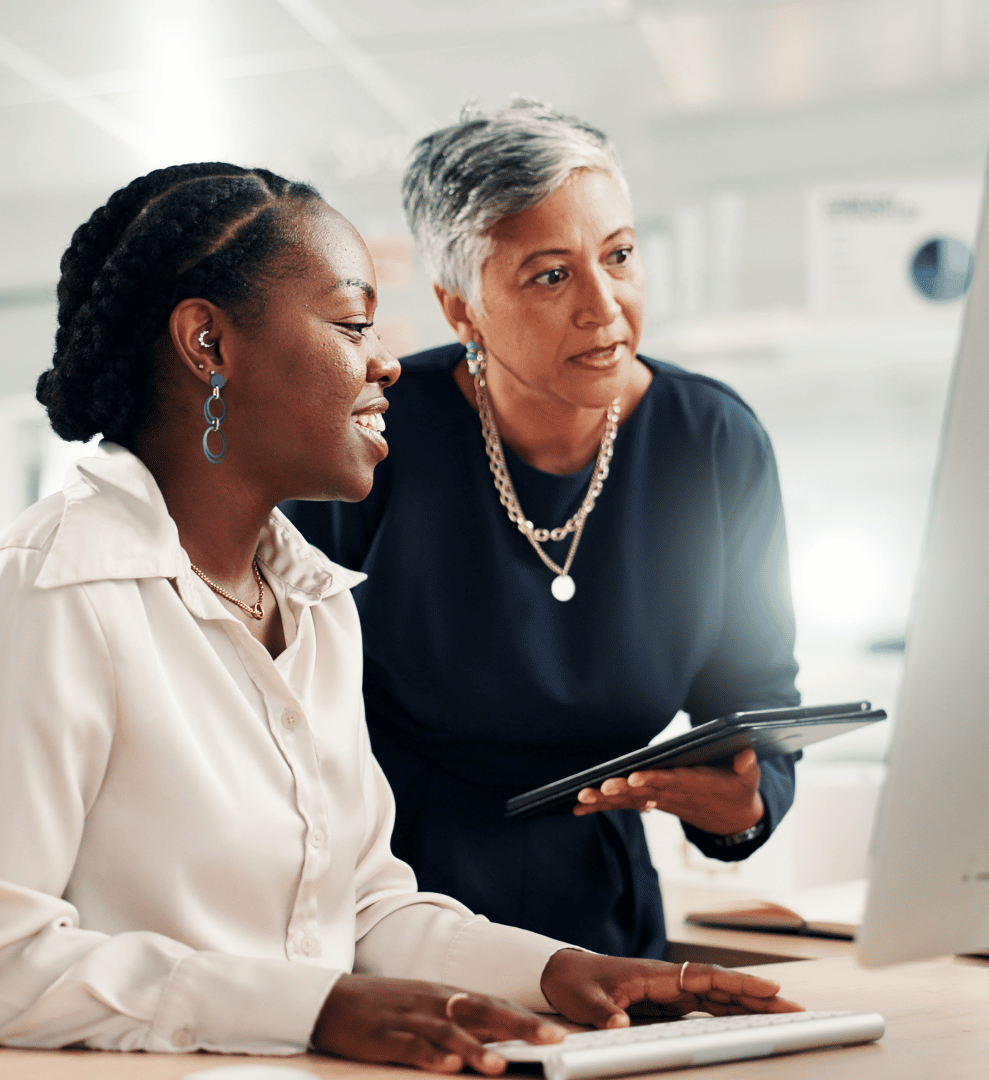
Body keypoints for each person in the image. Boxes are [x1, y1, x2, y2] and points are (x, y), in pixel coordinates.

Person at [0, 163, 798, 1067]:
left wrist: (560, 970)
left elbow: (364, 907)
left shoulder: (316, 598)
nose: (386, 363)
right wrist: (316, 1010)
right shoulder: (52, 589)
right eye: (352, 325)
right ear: (208, 345)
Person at [284, 102, 801, 960]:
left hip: (605, 916)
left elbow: (757, 704)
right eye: (550, 275)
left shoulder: (713, 442)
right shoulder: (372, 431)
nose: (606, 308)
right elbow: (278, 705)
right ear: (462, 310)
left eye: (621, 256)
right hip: (391, 910)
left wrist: (747, 804)